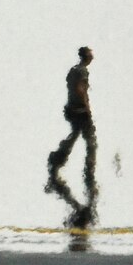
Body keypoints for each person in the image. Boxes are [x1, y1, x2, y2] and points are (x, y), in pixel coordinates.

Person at [47, 46, 97, 189]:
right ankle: (89, 172)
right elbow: (80, 90)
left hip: (71, 108)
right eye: (90, 54)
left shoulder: (73, 70)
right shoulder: (82, 71)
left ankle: (58, 157)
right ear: (86, 56)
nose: (92, 57)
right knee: (90, 142)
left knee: (75, 134)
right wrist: (87, 107)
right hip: (80, 110)